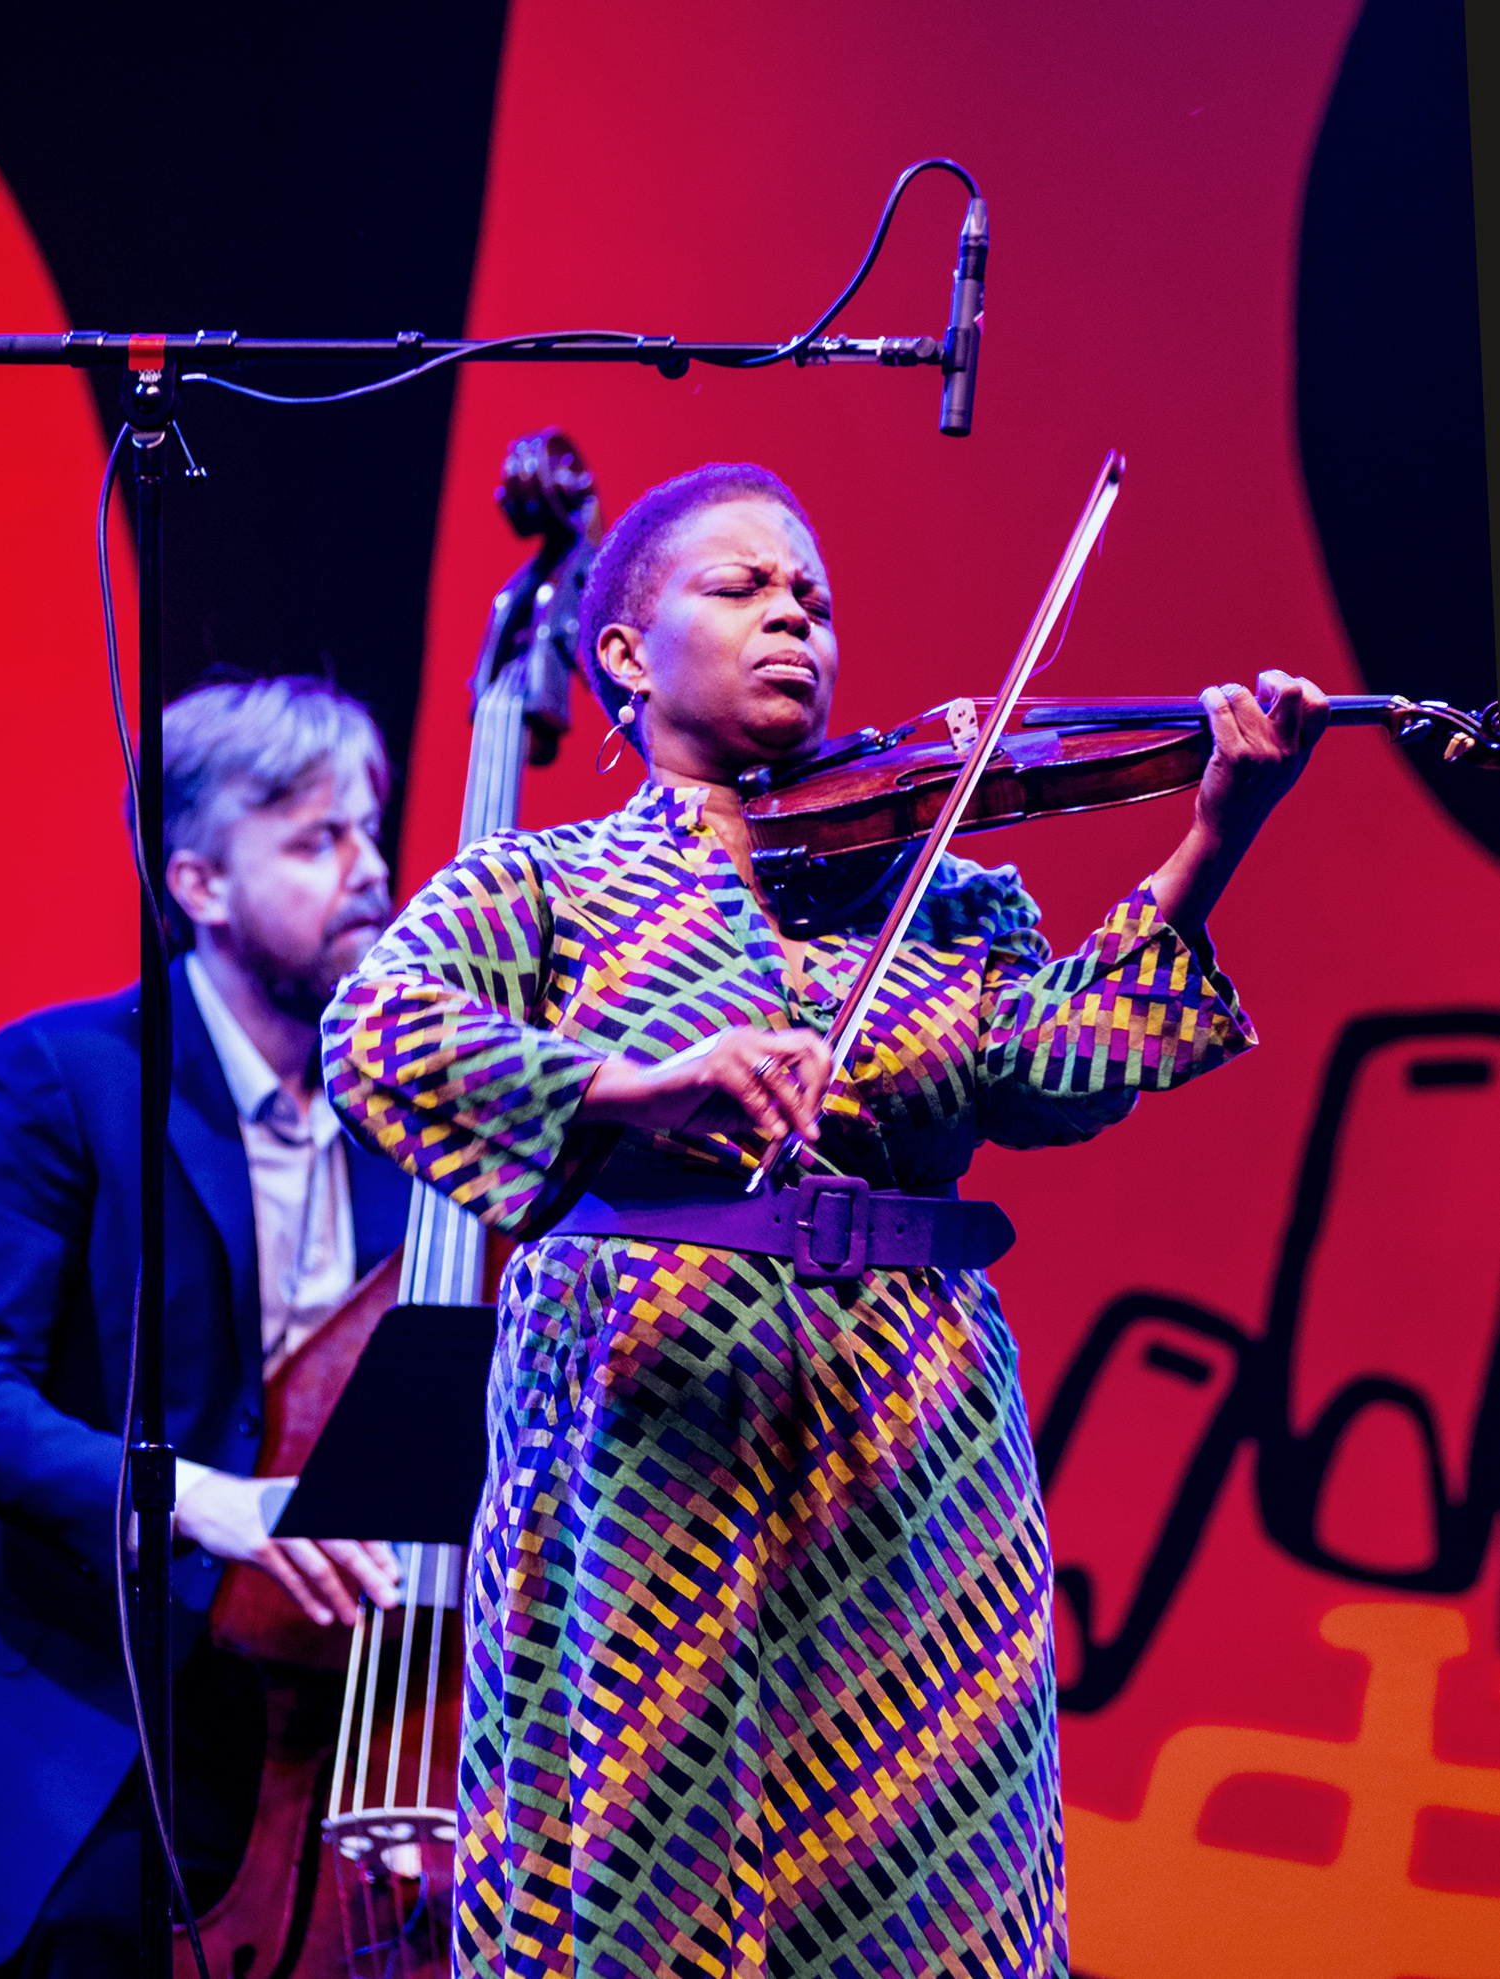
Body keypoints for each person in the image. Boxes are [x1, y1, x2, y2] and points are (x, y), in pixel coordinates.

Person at [323, 465, 1327, 1979]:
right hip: (642, 1432)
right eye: (739, 588)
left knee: (931, 1847)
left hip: (908, 1438)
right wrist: (635, 1085)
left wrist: (1211, 841)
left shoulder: (937, 892)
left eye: (811, 597)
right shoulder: (544, 881)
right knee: (636, 1848)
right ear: (622, 654)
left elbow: (1052, 1065)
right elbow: (380, 1036)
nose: (791, 612)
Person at [0, 676, 413, 1978]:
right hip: (79, 1730)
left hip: (315, 1742)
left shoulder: (413, 1126)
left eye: (369, 831)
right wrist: (197, 1498)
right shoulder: (60, 1079)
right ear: (198, 883)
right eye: (314, 840)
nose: (367, 873)